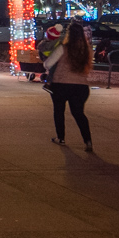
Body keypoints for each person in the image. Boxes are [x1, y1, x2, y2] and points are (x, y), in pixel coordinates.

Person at [44, 22, 94, 151]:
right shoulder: (87, 50)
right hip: (81, 87)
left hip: (60, 85)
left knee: (59, 111)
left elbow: (48, 64)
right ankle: (87, 140)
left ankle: (61, 137)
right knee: (79, 113)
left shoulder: (63, 48)